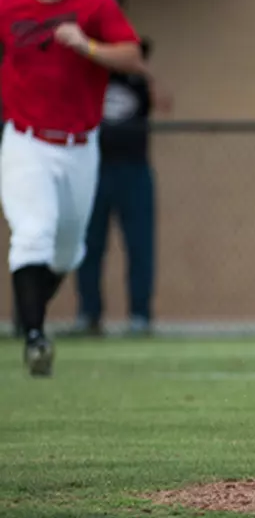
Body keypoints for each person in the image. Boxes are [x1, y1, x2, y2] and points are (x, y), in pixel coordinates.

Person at [0, 0, 144, 376]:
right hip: (26, 140)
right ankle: (36, 337)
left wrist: (88, 45)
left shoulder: (94, 4)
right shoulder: (8, 9)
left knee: (66, 253)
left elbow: (132, 58)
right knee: (32, 232)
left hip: (81, 145)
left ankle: (28, 317)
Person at [74, 37, 169, 336]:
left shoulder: (139, 82)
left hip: (135, 171)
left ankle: (140, 316)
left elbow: (165, 104)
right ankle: (89, 315)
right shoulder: (94, 78)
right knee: (89, 246)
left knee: (140, 246)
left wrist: (145, 71)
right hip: (95, 170)